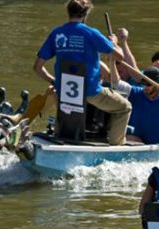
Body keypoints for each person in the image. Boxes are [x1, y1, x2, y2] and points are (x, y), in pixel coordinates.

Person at [33, 0, 131, 145]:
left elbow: (37, 67)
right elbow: (120, 56)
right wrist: (114, 43)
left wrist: (53, 81)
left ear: (68, 13)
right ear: (85, 15)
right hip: (91, 91)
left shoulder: (56, 33)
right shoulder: (91, 33)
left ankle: (61, 133)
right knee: (125, 107)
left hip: (64, 91)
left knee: (64, 100)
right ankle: (117, 145)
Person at [110, 62, 159, 144]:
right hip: (138, 143)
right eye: (143, 84)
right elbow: (116, 83)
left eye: (149, 84)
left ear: (158, 84)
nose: (145, 87)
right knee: (129, 138)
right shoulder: (136, 93)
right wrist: (112, 60)